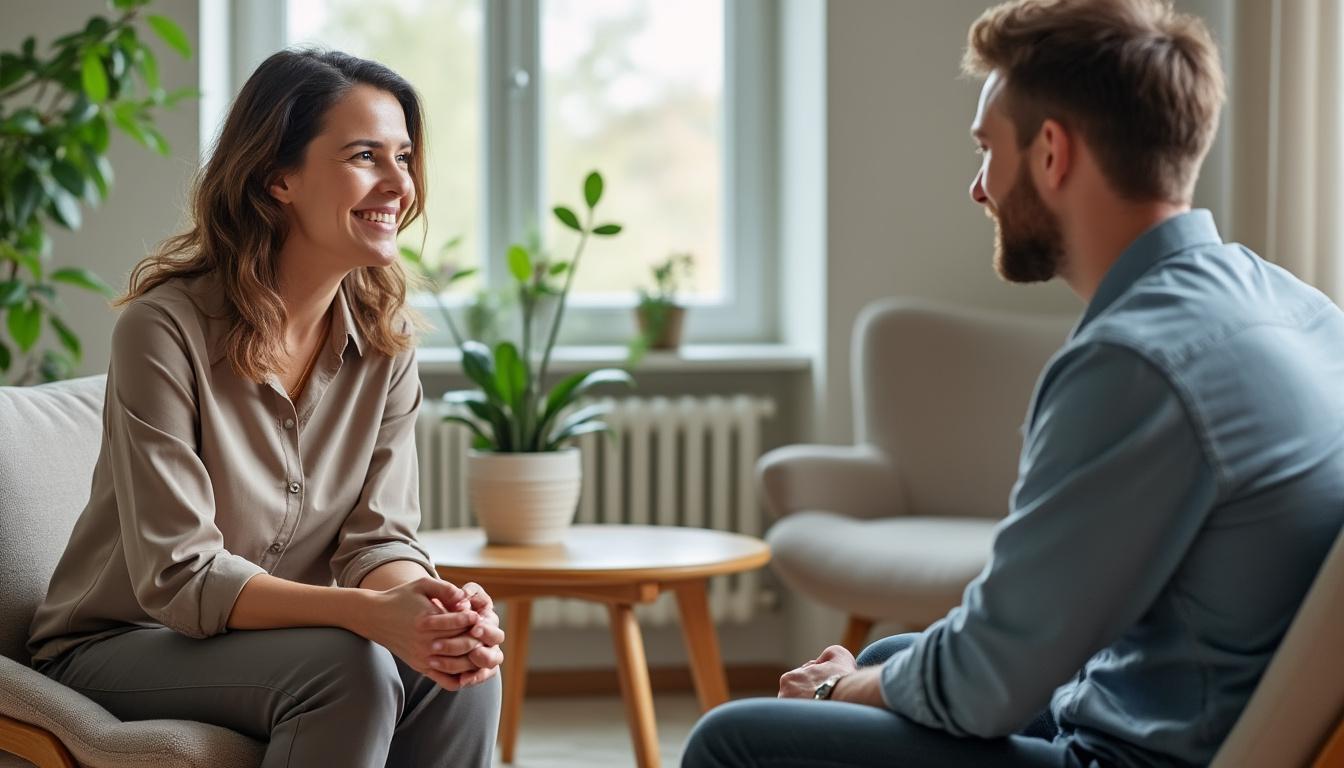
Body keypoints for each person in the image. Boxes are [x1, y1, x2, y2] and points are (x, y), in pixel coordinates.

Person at [682, 0, 1344, 765]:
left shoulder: (1134, 362)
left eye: (986, 150)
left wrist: (837, 692)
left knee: (732, 741)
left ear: (1052, 153)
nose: (978, 188)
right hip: (1167, 700)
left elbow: (987, 683)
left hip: (1126, 754)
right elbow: (1035, 630)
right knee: (890, 653)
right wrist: (877, 677)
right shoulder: (1299, 308)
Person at [27, 49, 502, 767]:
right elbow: (180, 574)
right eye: (366, 155)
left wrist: (433, 612)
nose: (399, 184)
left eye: (404, 157)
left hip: (267, 643)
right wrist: (371, 617)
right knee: (348, 668)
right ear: (277, 177)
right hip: (119, 645)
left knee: (461, 675)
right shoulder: (164, 330)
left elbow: (378, 543)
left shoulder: (385, 347)